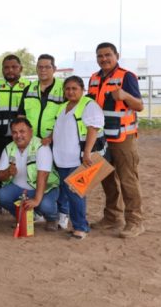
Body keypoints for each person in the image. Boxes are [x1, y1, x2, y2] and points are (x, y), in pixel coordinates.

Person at [87, 42, 145, 238]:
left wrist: (125, 95)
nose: (104, 59)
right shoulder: (94, 79)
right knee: (107, 179)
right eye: (100, 56)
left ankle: (135, 221)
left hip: (123, 138)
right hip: (102, 139)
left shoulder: (126, 76)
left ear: (116, 55)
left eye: (107, 55)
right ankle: (112, 218)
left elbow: (139, 106)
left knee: (128, 180)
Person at [52, 76, 105, 240]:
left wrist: (87, 152)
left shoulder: (89, 105)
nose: (70, 91)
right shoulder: (62, 107)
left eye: (74, 88)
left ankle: (80, 227)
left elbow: (93, 130)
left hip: (80, 158)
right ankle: (78, 224)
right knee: (69, 193)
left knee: (76, 193)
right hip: (62, 157)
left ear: (82, 90)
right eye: (67, 88)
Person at [18, 54, 66, 226]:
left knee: (61, 177)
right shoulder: (29, 89)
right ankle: (39, 211)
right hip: (35, 144)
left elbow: (69, 116)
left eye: (47, 67)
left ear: (54, 68)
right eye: (40, 67)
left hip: (57, 141)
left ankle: (62, 213)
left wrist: (52, 136)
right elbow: (21, 116)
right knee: (36, 174)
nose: (43, 70)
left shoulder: (63, 88)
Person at [0, 117, 62, 230]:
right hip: (19, 189)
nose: (18, 135)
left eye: (22, 131)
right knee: (2, 195)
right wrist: (7, 172)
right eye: (15, 132)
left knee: (45, 204)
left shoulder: (41, 146)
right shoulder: (9, 148)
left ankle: (52, 218)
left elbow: (43, 175)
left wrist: (36, 199)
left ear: (31, 131)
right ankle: (26, 216)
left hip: (45, 188)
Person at [0, 55, 30, 194]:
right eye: (6, 67)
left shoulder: (29, 88)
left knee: (22, 167)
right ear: (2, 69)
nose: (10, 70)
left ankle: (20, 199)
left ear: (20, 68)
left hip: (20, 138)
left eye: (14, 67)